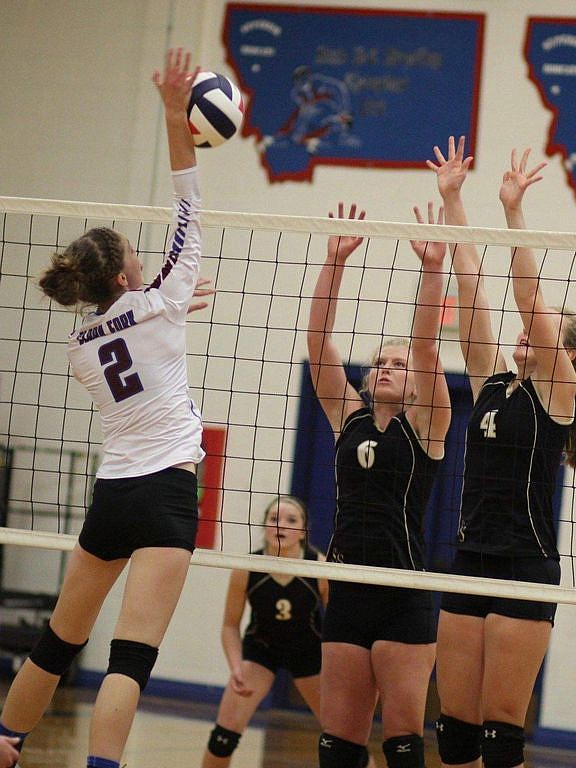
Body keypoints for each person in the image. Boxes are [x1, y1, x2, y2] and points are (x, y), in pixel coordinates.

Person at [0, 48, 207, 768]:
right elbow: (188, 196)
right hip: (167, 494)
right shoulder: (163, 300)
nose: (145, 257)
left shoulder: (81, 343)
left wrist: (172, 309)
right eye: (134, 253)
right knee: (130, 658)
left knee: (58, 641)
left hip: (113, 492)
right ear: (124, 272)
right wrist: (173, 111)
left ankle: (5, 742)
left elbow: (141, 326)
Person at [427, 136, 576, 768]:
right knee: (453, 733)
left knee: (499, 737)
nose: (528, 329)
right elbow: (471, 284)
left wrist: (514, 213)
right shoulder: (490, 383)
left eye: (545, 331)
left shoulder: (557, 396)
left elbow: (528, 300)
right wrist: (454, 198)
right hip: (469, 558)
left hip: (524, 568)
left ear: (569, 355)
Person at [307, 202, 452, 768]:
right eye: (381, 362)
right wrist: (334, 264)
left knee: (400, 744)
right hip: (346, 586)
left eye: (399, 362)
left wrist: (432, 269)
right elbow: (319, 343)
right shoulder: (349, 416)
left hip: (403, 594)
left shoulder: (428, 423)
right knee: (338, 745)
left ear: (415, 379)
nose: (390, 366)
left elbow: (425, 346)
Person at [201, 495, 329, 767]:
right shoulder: (247, 567)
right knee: (221, 740)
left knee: (344, 742)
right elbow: (229, 625)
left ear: (303, 531)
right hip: (261, 650)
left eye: (291, 520)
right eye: (274, 519)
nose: (281, 525)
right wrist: (236, 666)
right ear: (264, 526)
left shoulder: (319, 566)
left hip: (309, 654)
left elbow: (341, 626)